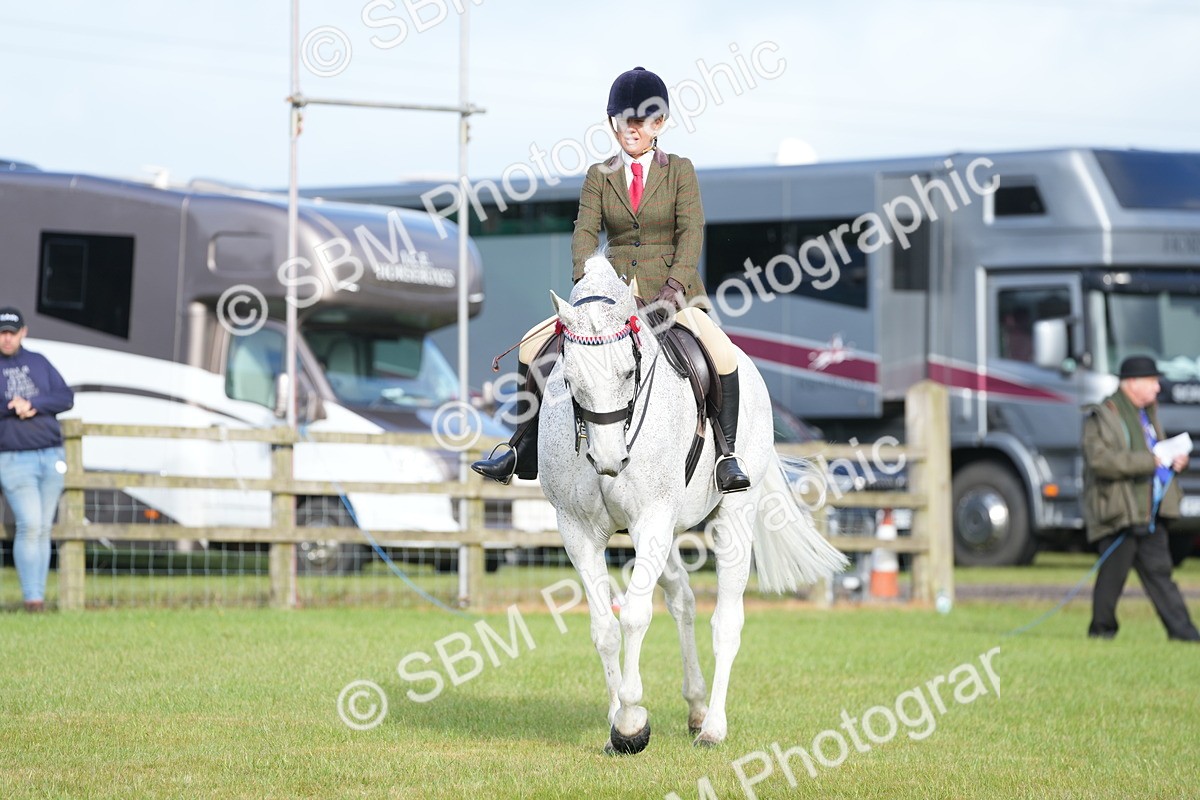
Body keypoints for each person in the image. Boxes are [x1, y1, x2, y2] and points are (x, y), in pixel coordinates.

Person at [472, 66, 751, 493]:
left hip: (673, 295)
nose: (631, 128)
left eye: (641, 121)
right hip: (608, 295)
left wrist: (674, 286)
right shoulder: (597, 176)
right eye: (624, 120)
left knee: (722, 355)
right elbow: (585, 230)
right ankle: (522, 447)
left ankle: (726, 455)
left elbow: (691, 232)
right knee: (531, 348)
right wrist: (586, 284)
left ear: (660, 124)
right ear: (612, 123)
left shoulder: (680, 170)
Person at [1081, 355, 1198, 641]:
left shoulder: (1148, 414)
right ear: (1132, 383)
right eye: (1152, 382)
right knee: (1112, 577)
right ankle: (1101, 632)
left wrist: (1173, 461)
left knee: (1160, 574)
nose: (1158, 388)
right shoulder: (1104, 414)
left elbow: (1155, 453)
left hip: (1149, 511)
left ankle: (1185, 635)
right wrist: (1150, 461)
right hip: (1121, 510)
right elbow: (1100, 461)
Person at [0, 307, 74, 612]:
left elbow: (66, 397)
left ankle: (38, 596)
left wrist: (34, 403)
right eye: (2, 332)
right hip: (14, 458)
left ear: (23, 333)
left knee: (44, 528)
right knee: (29, 524)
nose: (6, 338)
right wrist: (11, 405)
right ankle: (33, 600)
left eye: (11, 332)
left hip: (50, 455)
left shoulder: (39, 362)